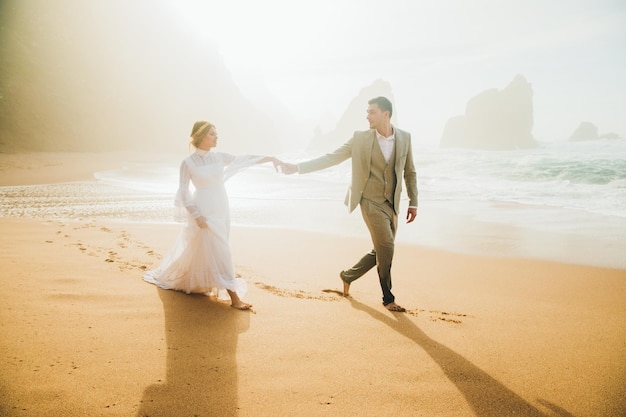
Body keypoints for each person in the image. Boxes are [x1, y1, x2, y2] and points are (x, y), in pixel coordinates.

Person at [281, 97, 418, 312]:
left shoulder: (405, 138)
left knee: (381, 250)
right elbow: (332, 158)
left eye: (372, 112)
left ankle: (348, 275)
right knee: (388, 247)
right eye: (367, 112)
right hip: (369, 201)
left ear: (386, 114)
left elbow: (410, 172)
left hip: (392, 203)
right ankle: (388, 298)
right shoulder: (360, 138)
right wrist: (298, 168)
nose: (367, 116)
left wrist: (414, 202)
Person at [144, 121, 282, 310]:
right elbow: (184, 191)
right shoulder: (188, 163)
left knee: (207, 248)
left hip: (222, 208)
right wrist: (196, 214)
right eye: (212, 134)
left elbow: (244, 159)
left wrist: (270, 158)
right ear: (200, 137)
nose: (217, 137)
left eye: (216, 134)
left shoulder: (218, 157)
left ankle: (198, 281)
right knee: (222, 250)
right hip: (204, 211)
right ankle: (235, 298)